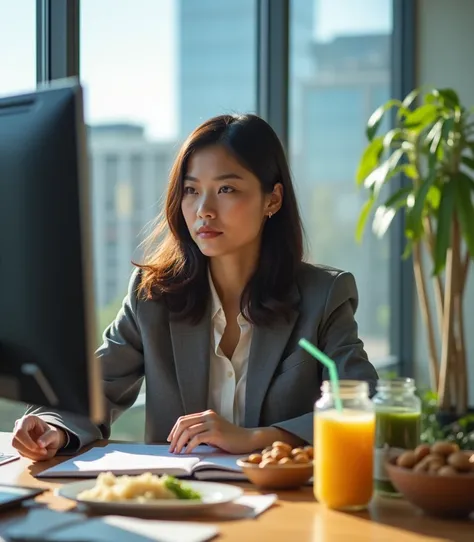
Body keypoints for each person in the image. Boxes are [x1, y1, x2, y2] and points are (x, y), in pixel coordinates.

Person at [11, 114, 378, 461]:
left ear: (273, 199)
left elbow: (368, 406)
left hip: (286, 507)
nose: (204, 209)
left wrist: (254, 439)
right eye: (191, 190)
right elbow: (95, 387)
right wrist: (51, 428)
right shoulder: (153, 295)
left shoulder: (324, 296)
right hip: (178, 505)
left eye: (226, 188)